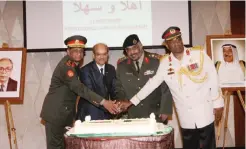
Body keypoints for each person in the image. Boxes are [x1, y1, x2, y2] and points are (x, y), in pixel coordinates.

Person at [119, 27, 224, 149]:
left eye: (178, 39)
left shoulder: (199, 54)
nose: (177, 43)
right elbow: (151, 84)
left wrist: (218, 103)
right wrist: (131, 102)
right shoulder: (165, 63)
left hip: (204, 111)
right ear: (167, 45)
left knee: (208, 145)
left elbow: (213, 78)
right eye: (172, 41)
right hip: (185, 115)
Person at [40, 35, 119, 149]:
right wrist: (104, 102)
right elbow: (80, 88)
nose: (78, 54)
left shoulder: (74, 66)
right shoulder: (66, 67)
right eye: (75, 51)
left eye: (81, 51)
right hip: (56, 114)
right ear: (68, 51)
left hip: (64, 114)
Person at [115, 34, 172, 122]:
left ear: (141, 46)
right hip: (132, 113)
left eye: (134, 48)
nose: (132, 52)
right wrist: (121, 102)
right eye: (128, 50)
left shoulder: (157, 61)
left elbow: (166, 87)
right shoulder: (122, 65)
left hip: (155, 113)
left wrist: (165, 110)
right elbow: (119, 87)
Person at [76, 43, 117, 121]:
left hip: (107, 113)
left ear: (107, 55)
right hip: (90, 113)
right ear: (93, 55)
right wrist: (109, 106)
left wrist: (117, 104)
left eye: (104, 54)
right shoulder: (85, 71)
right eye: (98, 54)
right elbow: (91, 94)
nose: (102, 57)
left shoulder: (111, 69)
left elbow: (114, 90)